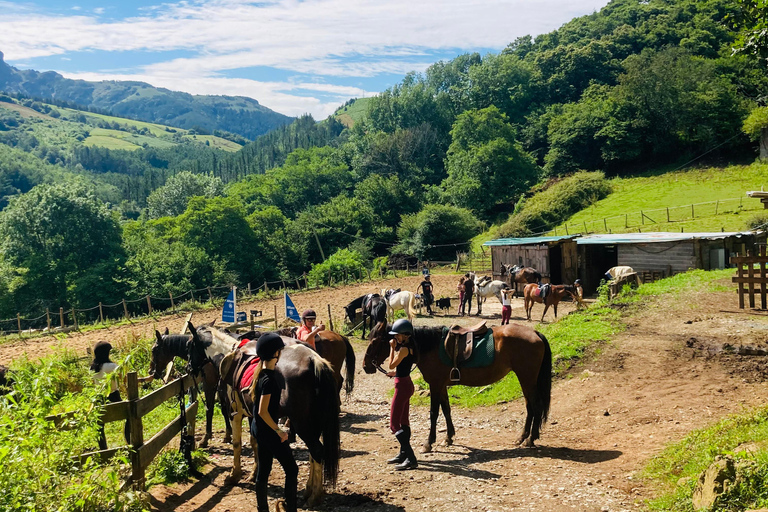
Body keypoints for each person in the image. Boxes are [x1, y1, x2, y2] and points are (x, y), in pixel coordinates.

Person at [249, 332, 297, 512]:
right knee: (292, 470)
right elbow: (262, 411)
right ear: (275, 353)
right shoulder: (269, 380)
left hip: (259, 430)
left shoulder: (260, 375)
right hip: (269, 431)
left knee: (263, 472)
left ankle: (263, 509)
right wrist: (279, 430)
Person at [384, 319, 418, 471]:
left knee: (394, 424)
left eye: (398, 336)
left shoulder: (403, 349)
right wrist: (396, 373)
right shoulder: (410, 347)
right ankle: (403, 454)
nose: (396, 338)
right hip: (405, 382)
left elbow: (391, 364)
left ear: (406, 335)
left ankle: (411, 458)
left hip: (402, 387)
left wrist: (392, 349)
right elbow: (401, 367)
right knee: (404, 421)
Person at [90, 341, 130, 450]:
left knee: (99, 425)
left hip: (99, 397)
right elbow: (125, 378)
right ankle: (129, 440)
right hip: (113, 396)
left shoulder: (92, 368)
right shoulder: (112, 366)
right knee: (130, 415)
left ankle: (103, 449)